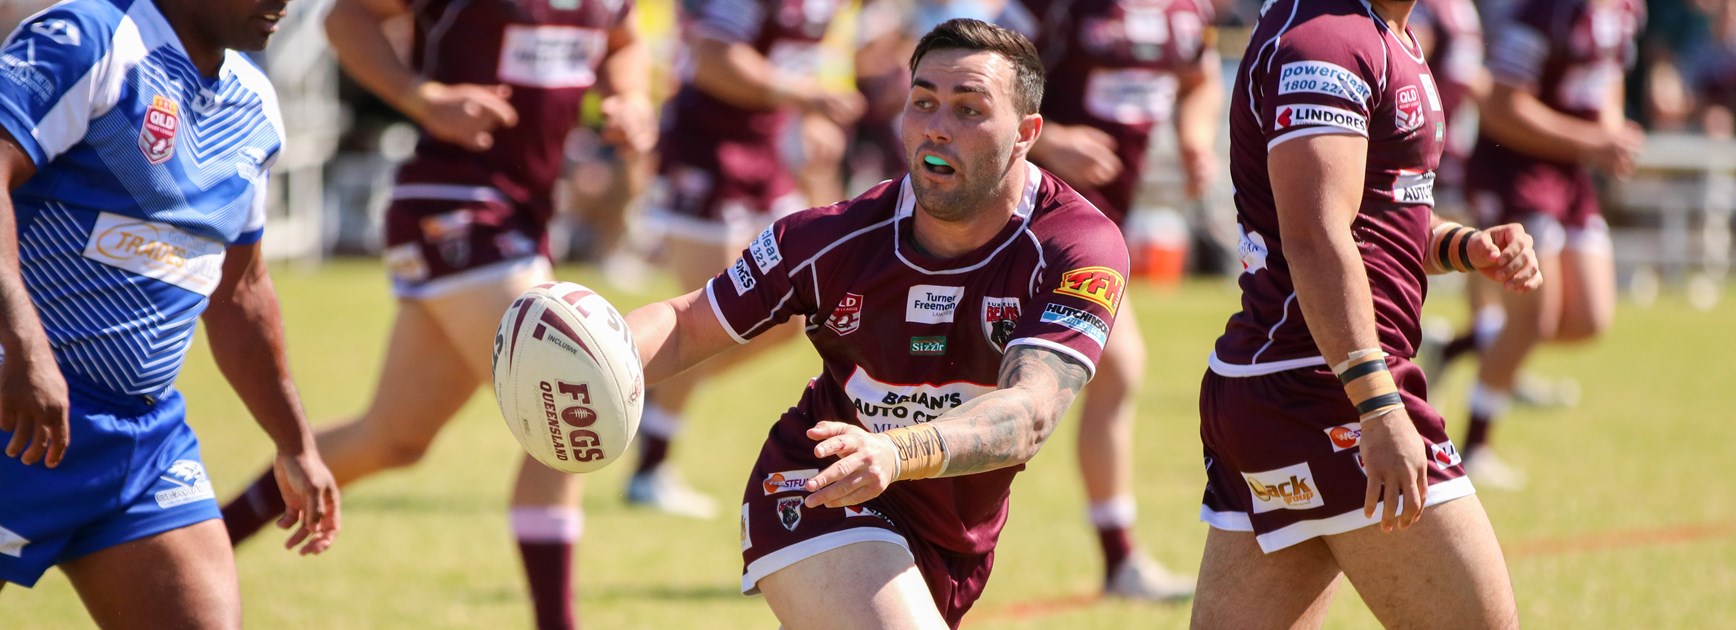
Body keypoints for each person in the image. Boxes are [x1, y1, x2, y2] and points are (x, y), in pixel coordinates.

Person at [622, 18, 1128, 627]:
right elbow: (686, 323)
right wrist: (593, 352)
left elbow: (1030, 413)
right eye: (923, 102)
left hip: (952, 531)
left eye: (969, 109)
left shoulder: (1075, 247)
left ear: (1025, 134)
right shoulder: (829, 238)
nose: (937, 126)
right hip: (819, 487)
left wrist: (897, 451)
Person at [216, 0, 654, 627]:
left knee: (391, 439)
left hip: (525, 218)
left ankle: (204, 542)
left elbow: (624, 41)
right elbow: (346, 17)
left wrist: (630, 98)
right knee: (566, 403)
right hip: (455, 204)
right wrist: (421, 97)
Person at [1191, 0, 1542, 626]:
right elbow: (1315, 237)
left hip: (1291, 386)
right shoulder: (1327, 40)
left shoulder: (1381, 31)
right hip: (1326, 391)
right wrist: (1378, 407)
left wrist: (1467, 247)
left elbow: (1376, 220)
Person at [0, 0, 341, 625]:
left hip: (141, 444)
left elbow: (241, 292)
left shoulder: (255, 106)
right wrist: (24, 349)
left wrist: (295, 444)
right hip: (16, 415)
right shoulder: (90, 39)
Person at [998, 0, 1220, 600]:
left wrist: (1195, 140)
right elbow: (976, 76)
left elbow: (1199, 78)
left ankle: (1120, 560)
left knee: (1114, 370)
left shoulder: (1186, 10)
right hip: (1020, 215)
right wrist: (1049, 138)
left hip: (1099, 224)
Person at [632, 0, 865, 518]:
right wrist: (804, 97)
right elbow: (713, 58)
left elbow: (806, 64)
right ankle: (649, 468)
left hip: (768, 157)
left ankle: (643, 392)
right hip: (708, 152)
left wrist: (809, 117)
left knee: (790, 320)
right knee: (708, 321)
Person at [1457, 0, 1643, 488]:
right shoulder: (1544, 11)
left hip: (1571, 171)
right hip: (1516, 171)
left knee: (1589, 319)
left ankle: (1463, 345)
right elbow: (1501, 107)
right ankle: (1474, 447)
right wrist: (1592, 140)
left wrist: (1611, 131)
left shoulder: (1627, 9)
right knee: (1533, 317)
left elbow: (1607, 76)